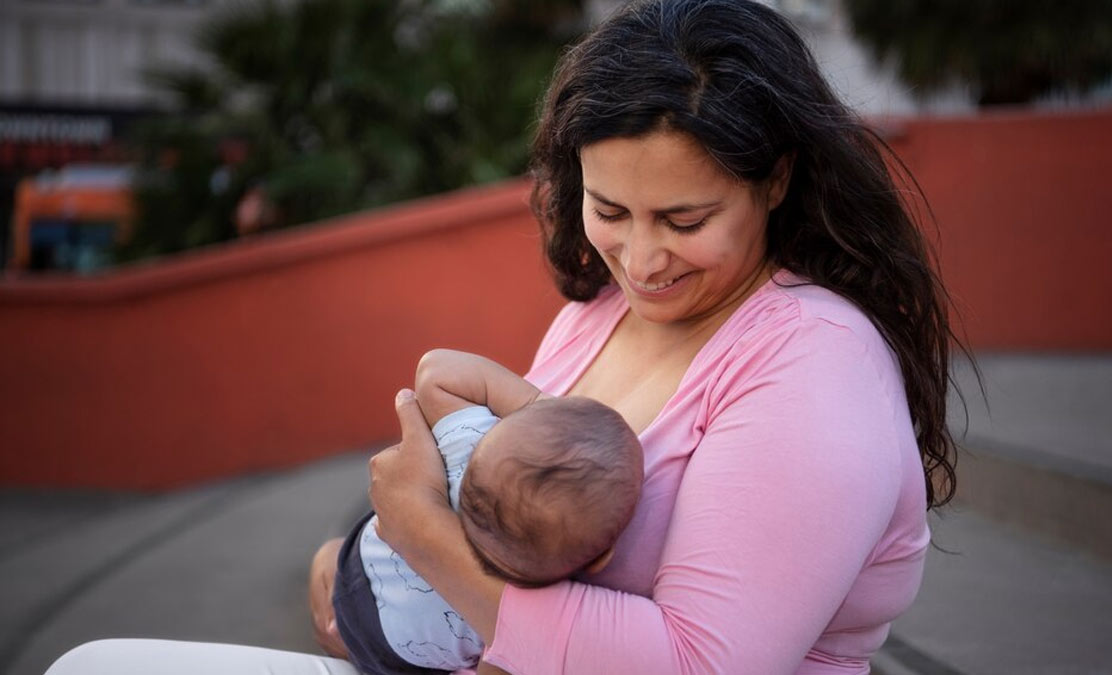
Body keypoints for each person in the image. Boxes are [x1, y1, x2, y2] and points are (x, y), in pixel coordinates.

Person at [46, 0, 962, 673]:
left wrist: (425, 544)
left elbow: (700, 665)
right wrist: (367, 558)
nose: (640, 260)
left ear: (776, 181)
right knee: (93, 664)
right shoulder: (598, 315)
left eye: (684, 218)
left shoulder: (812, 360)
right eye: (611, 210)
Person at [330, 349, 643, 674]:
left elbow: (436, 370)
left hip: (362, 556)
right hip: (390, 652)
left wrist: (536, 401)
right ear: (599, 559)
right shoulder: (525, 609)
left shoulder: (469, 440)